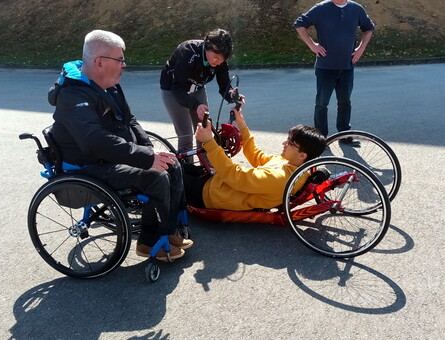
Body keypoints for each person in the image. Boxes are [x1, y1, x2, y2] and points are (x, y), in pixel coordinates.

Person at [48, 30, 192, 262]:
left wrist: (151, 151)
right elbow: (95, 140)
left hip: (109, 155)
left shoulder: (109, 85)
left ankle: (168, 231)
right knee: (155, 177)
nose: (124, 65)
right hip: (86, 165)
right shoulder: (73, 95)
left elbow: (129, 120)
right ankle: (148, 242)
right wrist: (145, 159)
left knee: (171, 164)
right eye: (120, 59)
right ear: (99, 62)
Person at [183, 108, 327, 211]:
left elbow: (236, 176)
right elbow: (256, 155)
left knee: (169, 174)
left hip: (208, 194)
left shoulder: (280, 178)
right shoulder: (290, 164)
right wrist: (242, 125)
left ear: (302, 155)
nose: (284, 144)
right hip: (215, 182)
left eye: (290, 143)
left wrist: (209, 142)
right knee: (174, 164)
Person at [294, 0, 375, 138]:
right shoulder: (321, 8)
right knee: (321, 103)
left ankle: (344, 134)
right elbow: (300, 24)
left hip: (347, 66)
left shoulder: (356, 9)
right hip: (325, 67)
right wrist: (312, 45)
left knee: (345, 102)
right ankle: (320, 137)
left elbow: (368, 28)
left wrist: (361, 48)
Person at [160, 28, 244, 155]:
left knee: (205, 132)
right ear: (207, 47)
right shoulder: (189, 51)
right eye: (216, 57)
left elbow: (224, 86)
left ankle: (207, 169)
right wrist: (195, 105)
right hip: (174, 89)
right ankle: (186, 171)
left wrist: (233, 96)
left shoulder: (220, 61)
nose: (218, 62)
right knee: (186, 136)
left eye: (222, 59)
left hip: (196, 87)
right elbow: (177, 88)